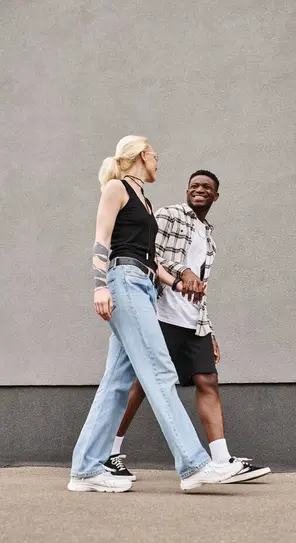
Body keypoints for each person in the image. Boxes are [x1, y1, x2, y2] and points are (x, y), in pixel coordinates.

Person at [68, 135, 243, 493]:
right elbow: (102, 240)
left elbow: (152, 261)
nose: (159, 164)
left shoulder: (145, 201)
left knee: (116, 384)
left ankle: (85, 470)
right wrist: (99, 286)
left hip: (143, 284)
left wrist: (177, 283)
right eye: (156, 157)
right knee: (160, 370)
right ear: (143, 156)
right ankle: (194, 465)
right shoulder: (116, 188)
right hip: (124, 282)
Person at [103, 169, 271, 484]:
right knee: (140, 384)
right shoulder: (169, 216)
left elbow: (200, 288)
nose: (199, 190)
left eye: (206, 187)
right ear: (186, 191)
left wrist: (209, 329)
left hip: (193, 322)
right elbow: (150, 253)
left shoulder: (208, 237)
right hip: (161, 314)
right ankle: (108, 453)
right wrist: (183, 271)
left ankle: (222, 460)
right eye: (194, 185)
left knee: (208, 380)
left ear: (215, 196)